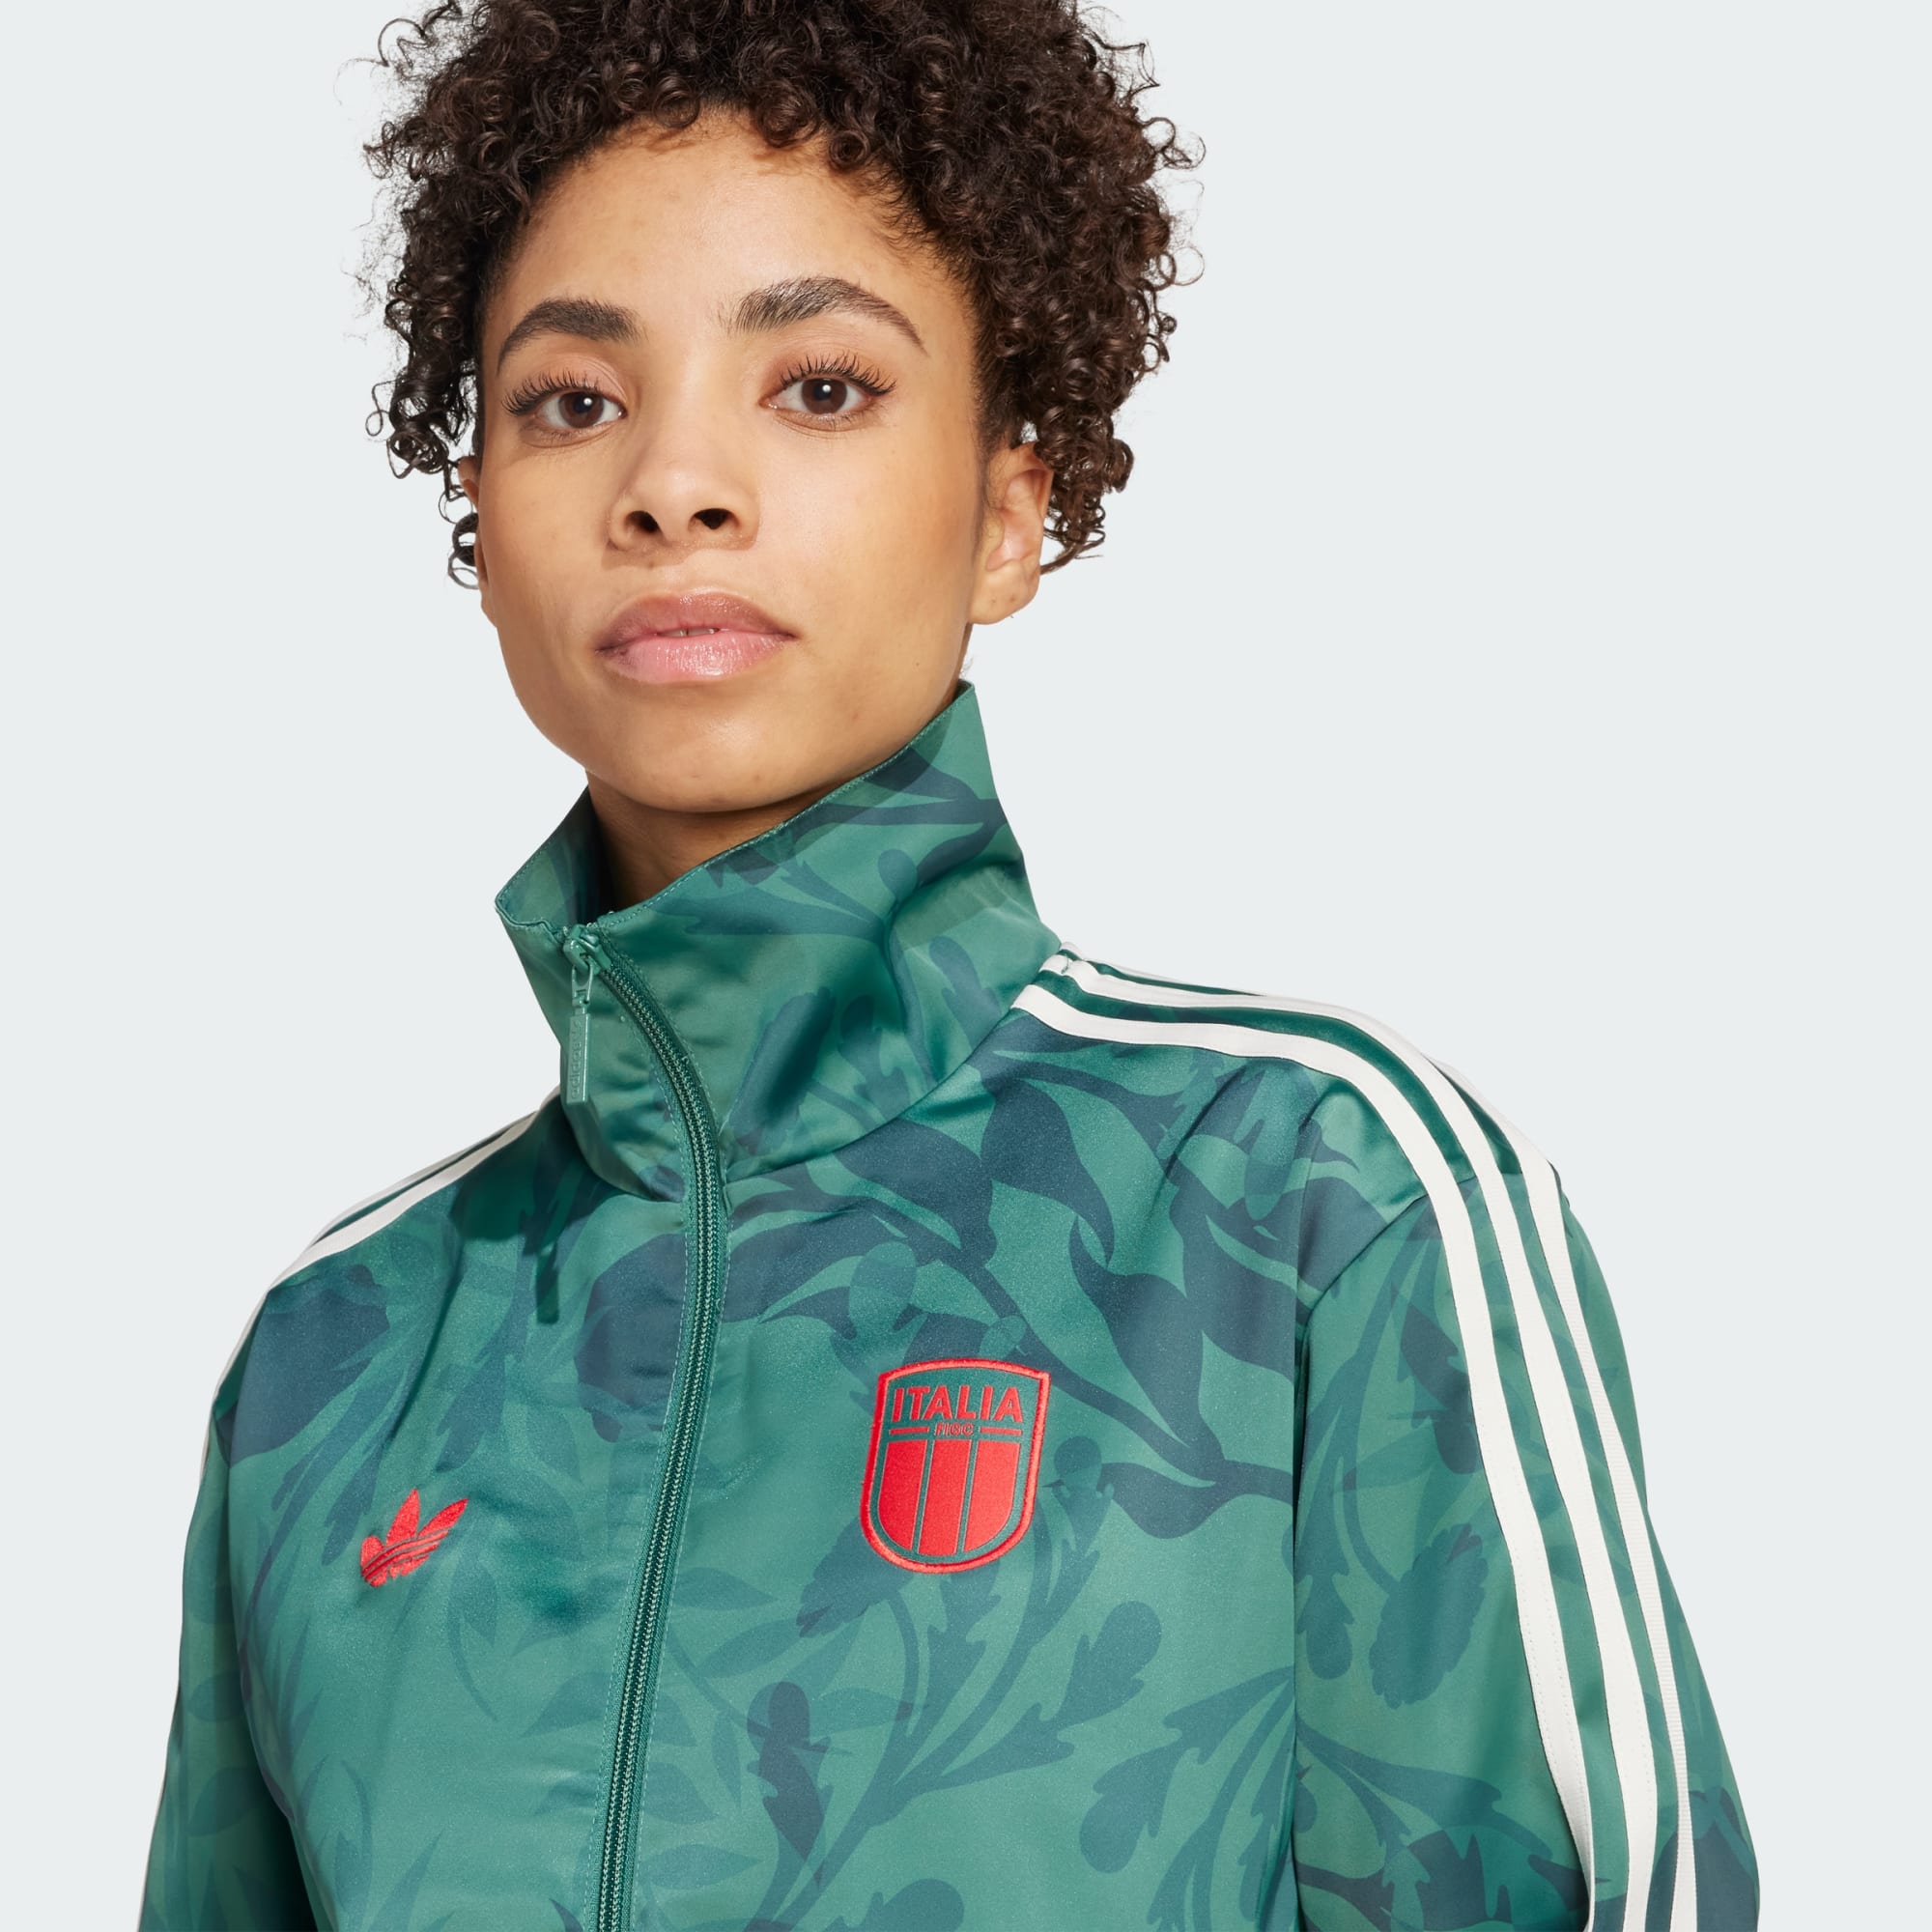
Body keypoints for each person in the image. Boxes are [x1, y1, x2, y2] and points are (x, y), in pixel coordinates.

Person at [140, 2, 1759, 1927]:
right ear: (478, 520)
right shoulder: (339, 1351)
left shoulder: (1310, 1191)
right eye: (572, 401)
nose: (675, 483)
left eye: (819, 385)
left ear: (1008, 511)